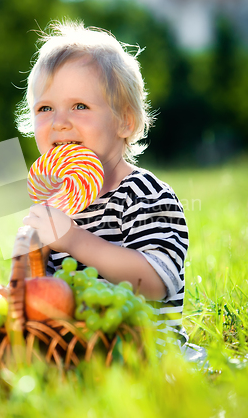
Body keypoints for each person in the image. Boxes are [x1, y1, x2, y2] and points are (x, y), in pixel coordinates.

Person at [18, 20, 189, 350]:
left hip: (146, 352)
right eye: (45, 108)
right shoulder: (56, 204)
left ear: (125, 121)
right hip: (76, 351)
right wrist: (28, 258)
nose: (59, 121)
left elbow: (154, 282)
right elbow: (46, 297)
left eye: (80, 106)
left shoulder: (144, 195)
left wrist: (72, 239)